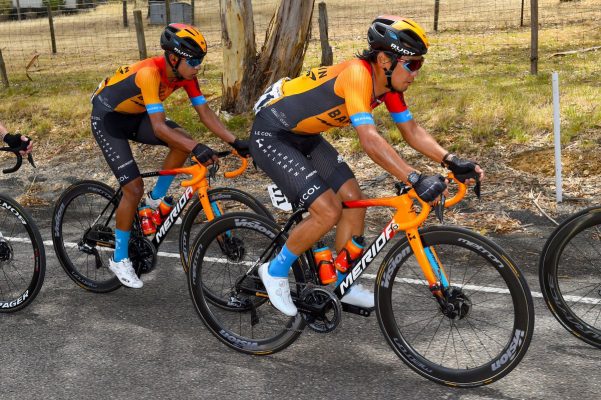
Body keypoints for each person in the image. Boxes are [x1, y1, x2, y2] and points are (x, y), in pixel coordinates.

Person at [249, 16, 483, 316]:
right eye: (411, 65)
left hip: (305, 137)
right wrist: (413, 178)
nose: (415, 73)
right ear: (385, 59)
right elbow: (369, 140)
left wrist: (450, 159)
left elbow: (410, 130)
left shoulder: (388, 87)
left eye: (419, 65)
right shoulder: (357, 75)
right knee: (328, 210)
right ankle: (275, 270)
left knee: (354, 201)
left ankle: (342, 284)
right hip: (272, 135)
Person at [90, 23, 249, 289]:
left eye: (201, 60)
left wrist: (235, 141)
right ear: (174, 58)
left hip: (135, 115)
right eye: (194, 60)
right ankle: (119, 258)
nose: (198, 66)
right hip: (108, 119)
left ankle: (154, 201)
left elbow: (205, 113)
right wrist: (196, 147)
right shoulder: (150, 73)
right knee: (133, 188)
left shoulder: (185, 75)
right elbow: (159, 127)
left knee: (183, 140)